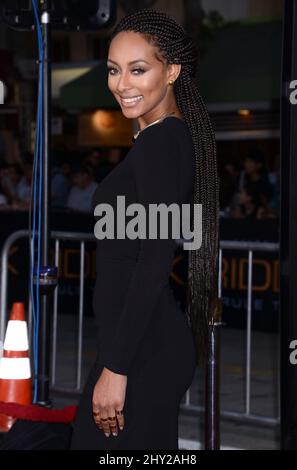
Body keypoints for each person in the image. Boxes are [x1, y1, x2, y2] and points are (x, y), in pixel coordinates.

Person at [70, 8, 219, 450]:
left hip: (140, 352)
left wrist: (116, 370)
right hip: (138, 345)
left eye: (138, 69)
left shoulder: (161, 142)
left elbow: (154, 258)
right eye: (114, 70)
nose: (122, 84)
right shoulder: (164, 139)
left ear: (171, 71)